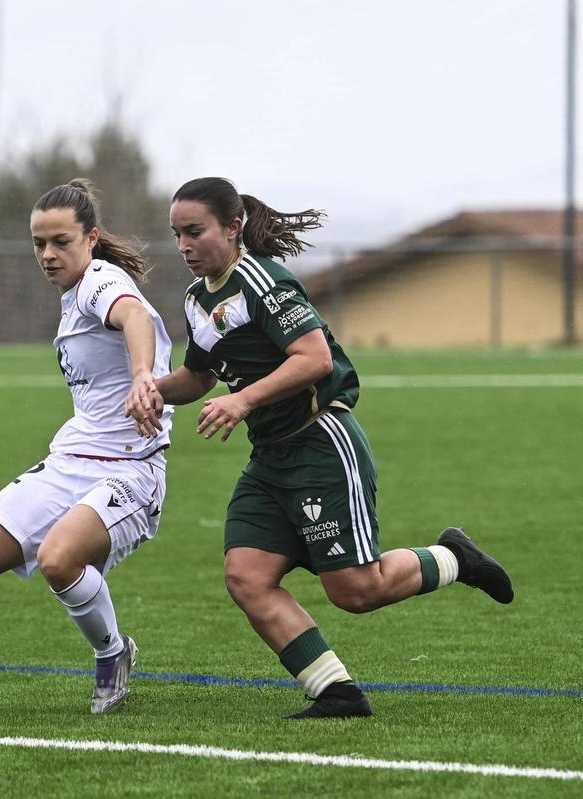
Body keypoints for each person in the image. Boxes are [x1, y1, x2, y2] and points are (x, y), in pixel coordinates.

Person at [132, 177, 513, 718]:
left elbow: (313, 359)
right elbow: (197, 378)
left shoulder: (264, 283)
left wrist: (242, 403)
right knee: (247, 575)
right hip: (270, 458)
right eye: (176, 235)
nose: (184, 246)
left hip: (320, 443)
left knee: (357, 591)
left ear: (233, 226)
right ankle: (336, 692)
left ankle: (455, 557)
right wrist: (149, 388)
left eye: (195, 232)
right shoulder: (197, 300)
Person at [0, 180, 173, 716]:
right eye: (38, 243)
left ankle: (112, 654)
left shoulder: (100, 279)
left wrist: (143, 375)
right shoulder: (74, 295)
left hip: (130, 469)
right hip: (70, 460)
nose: (47, 255)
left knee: (59, 558)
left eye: (60, 242)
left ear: (91, 239)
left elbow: (134, 316)